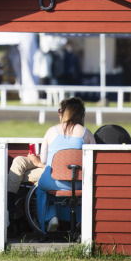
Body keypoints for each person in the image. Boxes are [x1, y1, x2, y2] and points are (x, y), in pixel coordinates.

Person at [34, 97, 96, 233]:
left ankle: (48, 221)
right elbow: (94, 160)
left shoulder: (51, 131)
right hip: (79, 183)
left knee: (41, 188)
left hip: (54, 182)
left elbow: (43, 159)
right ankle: (81, 224)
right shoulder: (86, 133)